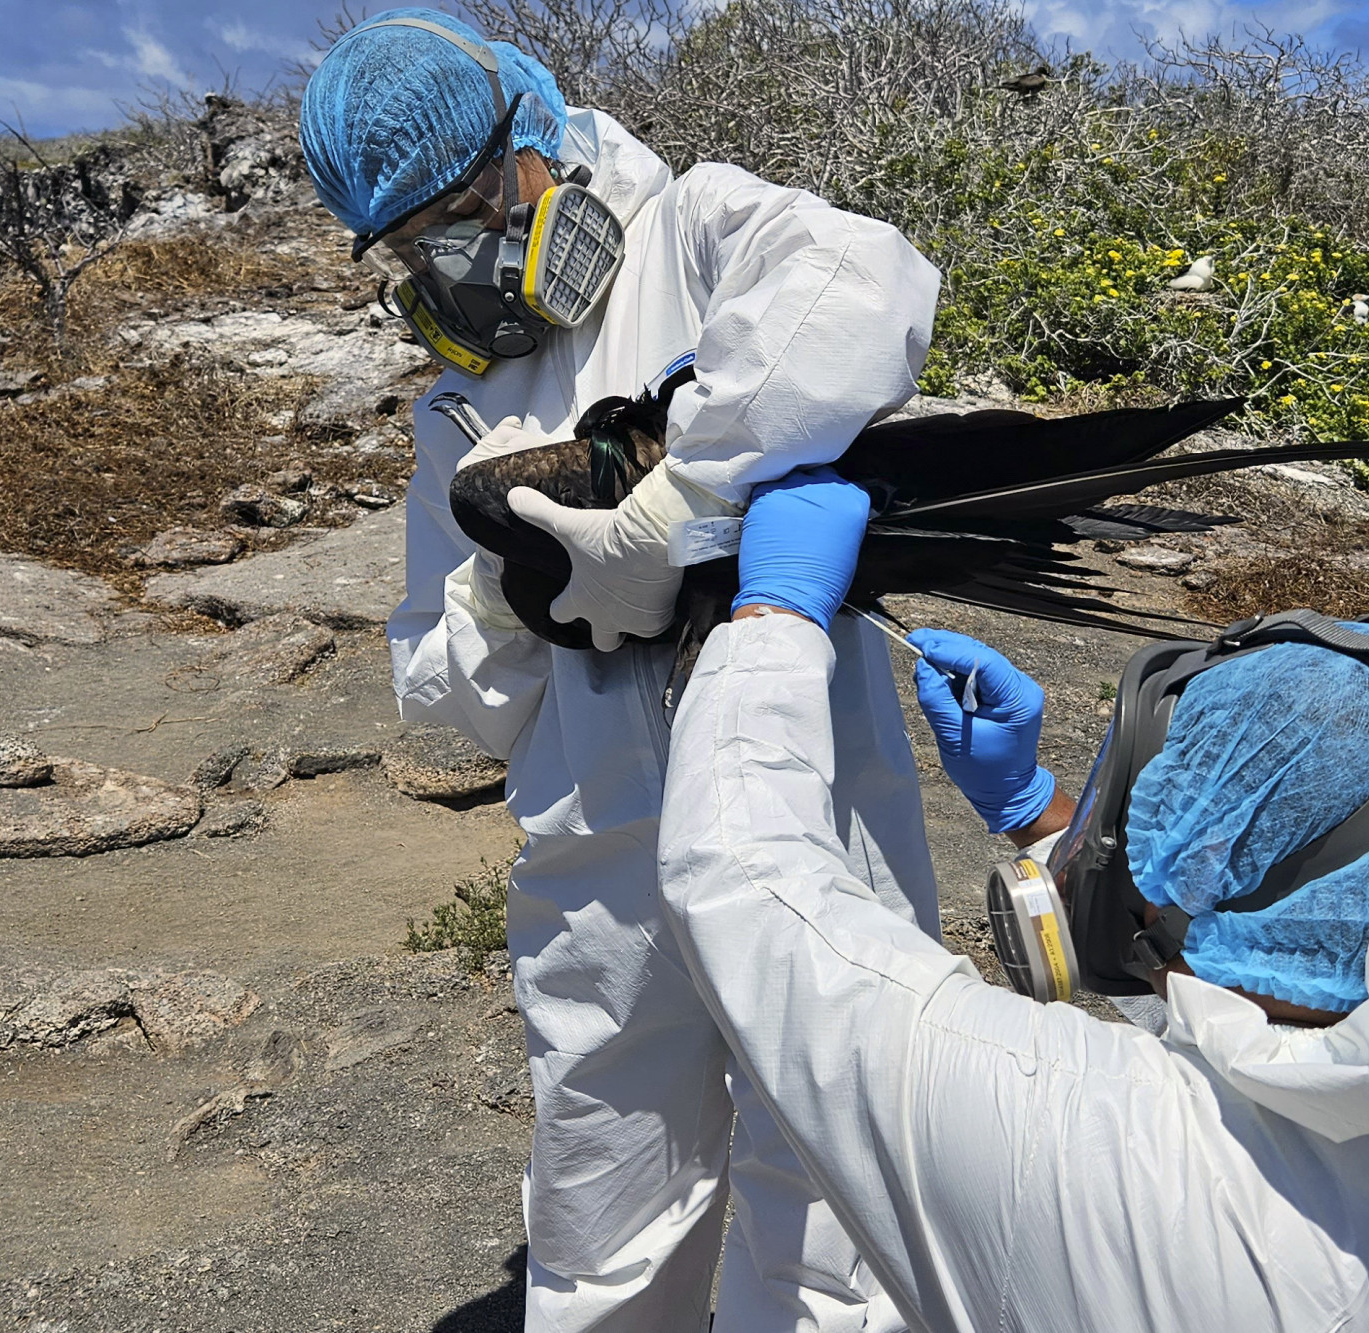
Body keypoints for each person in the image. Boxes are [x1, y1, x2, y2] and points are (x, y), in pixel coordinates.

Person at [657, 468, 1369, 1332]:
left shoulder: (1069, 1142)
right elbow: (1278, 1050)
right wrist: (1036, 816)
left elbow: (748, 887)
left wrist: (775, 618)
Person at [298, 12, 941, 1331]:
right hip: (598, 860)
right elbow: (440, 692)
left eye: (476, 202)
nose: (462, 252)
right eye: (422, 240)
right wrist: (512, 597)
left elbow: (868, 288)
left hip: (806, 813)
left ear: (534, 136)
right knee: (602, 1204)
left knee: (829, 1197)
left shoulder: (701, 233)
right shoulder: (454, 410)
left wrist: (678, 506)